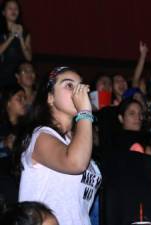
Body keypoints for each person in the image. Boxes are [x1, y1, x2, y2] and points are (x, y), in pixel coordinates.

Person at [16, 66, 102, 225]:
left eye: (81, 86)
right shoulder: (40, 136)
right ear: (50, 97)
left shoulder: (77, 141)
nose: (79, 91)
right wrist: (85, 111)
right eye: (70, 85)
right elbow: (75, 163)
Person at [0, 0, 32, 88]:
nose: (13, 11)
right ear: (3, 12)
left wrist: (21, 37)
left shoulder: (25, 32)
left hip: (19, 75)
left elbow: (29, 57)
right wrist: (11, 36)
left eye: (16, 8)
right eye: (10, 8)